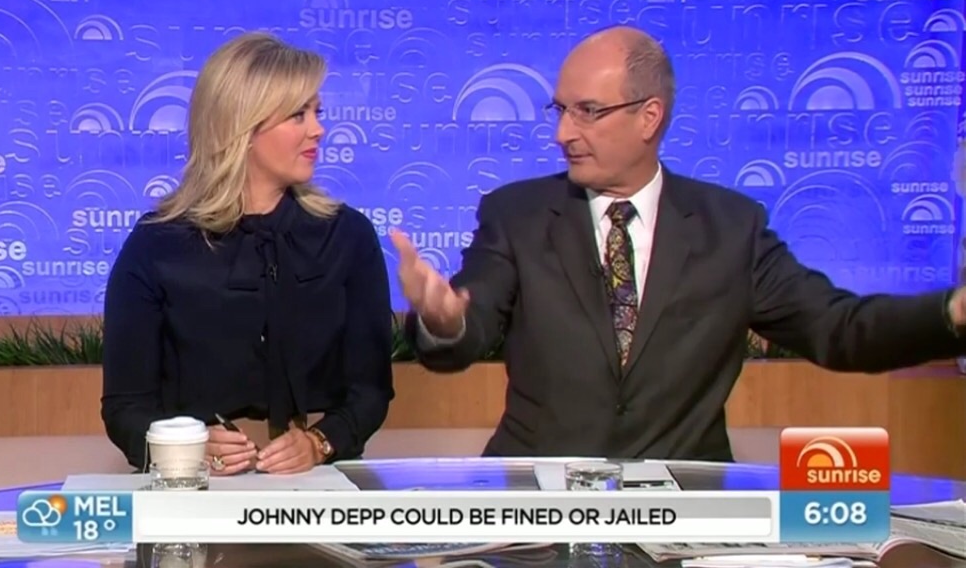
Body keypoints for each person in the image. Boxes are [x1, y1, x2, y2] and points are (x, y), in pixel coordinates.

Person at [392, 25, 966, 461]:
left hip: (685, 514)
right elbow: (469, 324)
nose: (564, 132)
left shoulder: (731, 229)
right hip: (540, 516)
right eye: (561, 110)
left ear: (649, 117)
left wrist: (951, 314)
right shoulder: (518, 214)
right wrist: (445, 322)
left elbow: (839, 329)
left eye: (588, 112)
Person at [102, 32, 394, 475]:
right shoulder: (158, 244)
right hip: (194, 485)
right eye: (297, 115)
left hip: (316, 482)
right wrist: (185, 451)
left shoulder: (347, 236)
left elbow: (370, 391)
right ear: (242, 126)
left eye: (316, 112)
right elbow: (125, 407)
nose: (317, 129)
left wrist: (320, 443)